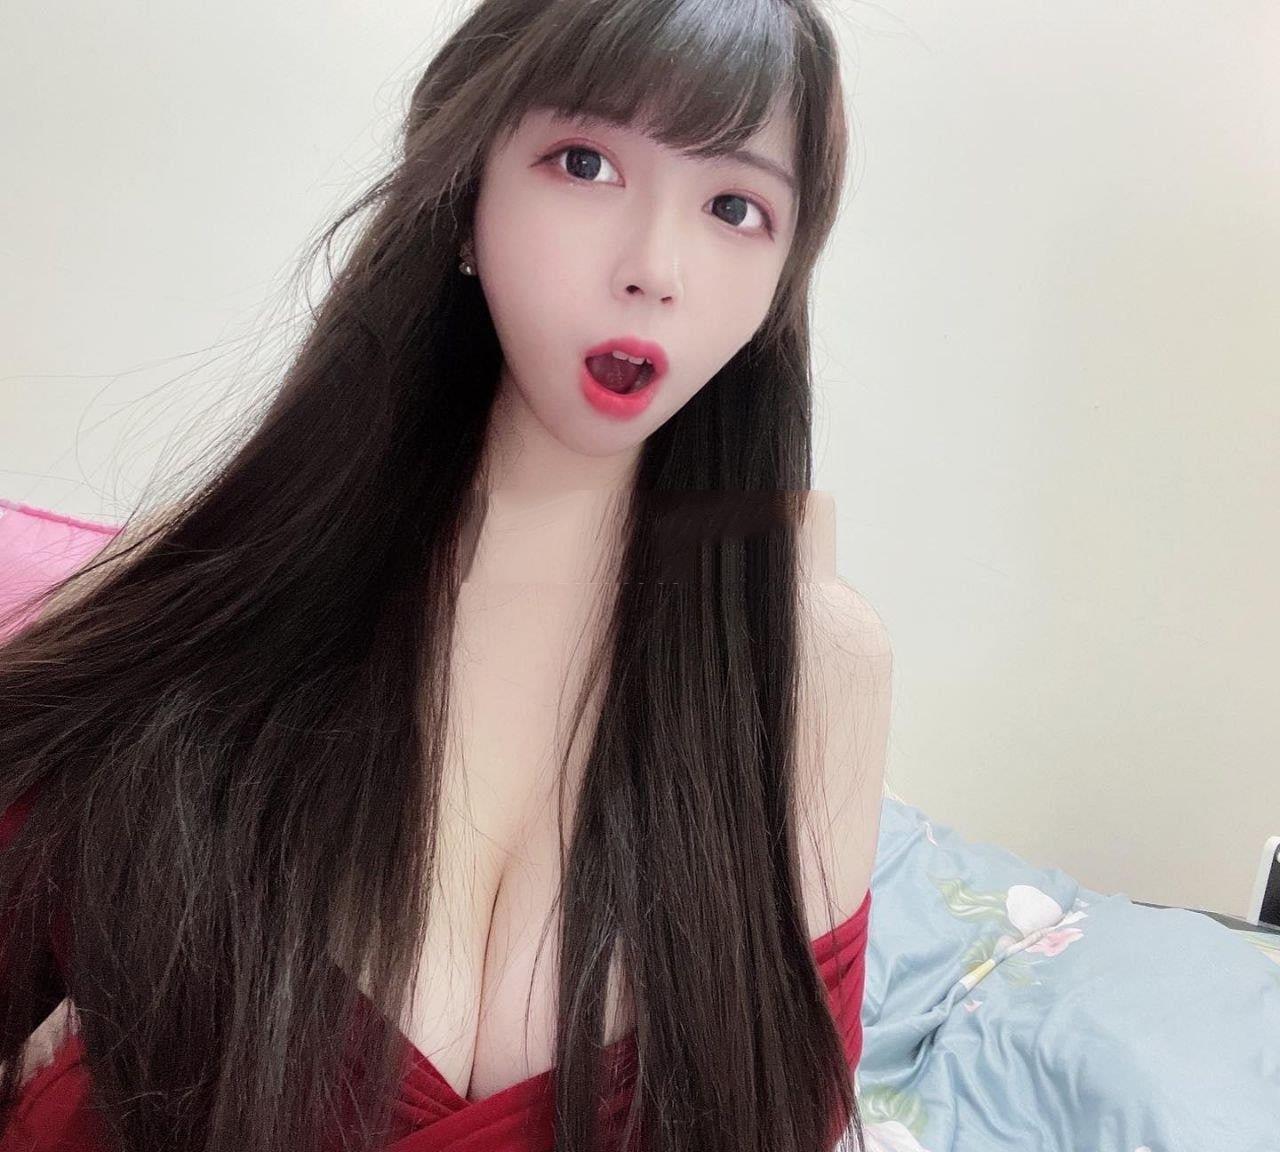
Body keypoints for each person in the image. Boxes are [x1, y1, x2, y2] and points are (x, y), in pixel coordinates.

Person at [0, 1, 892, 1150]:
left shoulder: (816, 671)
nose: (653, 269)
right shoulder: (211, 585)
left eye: (734, 207)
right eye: (584, 164)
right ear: (466, 197)